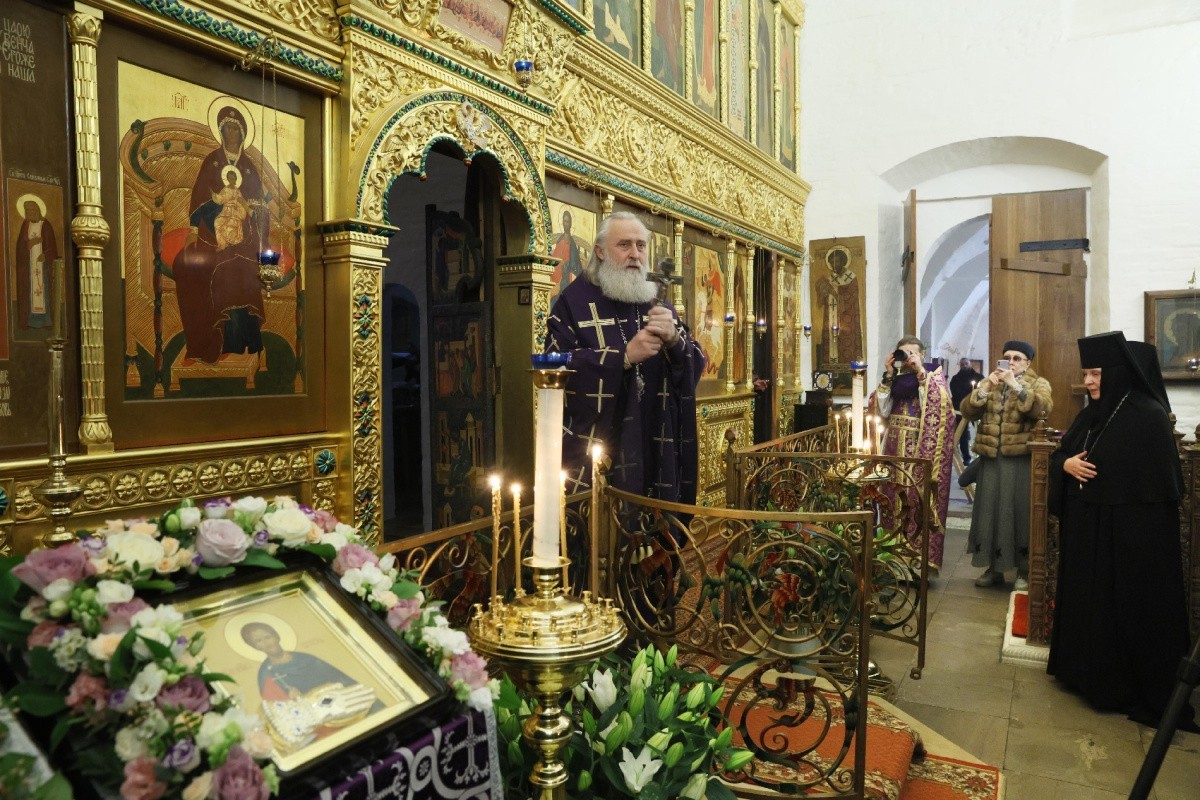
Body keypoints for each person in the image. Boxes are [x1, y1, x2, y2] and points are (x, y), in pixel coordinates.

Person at [1046, 332, 1196, 730]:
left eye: (1095, 374)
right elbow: (1062, 454)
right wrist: (1066, 466)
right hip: (1087, 535)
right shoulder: (1091, 414)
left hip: (1129, 542)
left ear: (1115, 372)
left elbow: (1155, 494)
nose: (1088, 382)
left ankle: (1117, 686)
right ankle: (1082, 675)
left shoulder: (1148, 415)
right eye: (1085, 374)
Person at [545, 211, 705, 502]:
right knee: (602, 524)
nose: (635, 254)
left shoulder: (655, 301)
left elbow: (695, 361)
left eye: (641, 245)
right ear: (600, 252)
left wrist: (674, 340)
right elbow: (553, 366)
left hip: (654, 441)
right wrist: (623, 357)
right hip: (599, 448)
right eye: (624, 245)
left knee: (654, 521)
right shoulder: (573, 302)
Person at [173, 105, 266, 365]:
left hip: (245, 237)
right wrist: (195, 228)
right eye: (227, 128)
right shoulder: (211, 162)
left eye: (236, 128)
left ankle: (238, 341)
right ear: (221, 132)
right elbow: (199, 199)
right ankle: (203, 342)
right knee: (186, 265)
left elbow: (260, 210)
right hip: (210, 233)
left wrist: (249, 213)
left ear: (243, 133)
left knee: (237, 267)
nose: (231, 133)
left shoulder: (249, 168)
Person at [960, 340, 1052, 589]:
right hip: (991, 460)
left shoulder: (1038, 383)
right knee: (990, 513)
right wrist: (983, 389)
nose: (1011, 362)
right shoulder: (991, 383)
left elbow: (1042, 410)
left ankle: (1024, 570)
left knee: (1019, 513)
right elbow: (967, 411)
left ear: (1027, 363)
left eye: (1017, 358)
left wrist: (1016, 387)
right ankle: (994, 568)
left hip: (1020, 460)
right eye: (1007, 357)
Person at [868, 336, 956, 572]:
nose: (906, 358)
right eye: (902, 353)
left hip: (918, 448)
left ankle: (916, 562)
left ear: (922, 354)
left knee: (915, 501)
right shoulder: (895, 378)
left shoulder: (933, 375)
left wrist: (920, 374)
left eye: (911, 353)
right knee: (890, 498)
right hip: (892, 446)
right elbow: (883, 410)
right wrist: (888, 375)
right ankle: (891, 559)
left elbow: (941, 405)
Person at [14, 196, 58, 331]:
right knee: (30, 291)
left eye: (32, 210)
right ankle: (29, 320)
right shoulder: (25, 225)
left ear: (37, 210)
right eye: (27, 211)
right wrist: (30, 243)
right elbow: (20, 247)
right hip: (29, 266)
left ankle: (46, 321)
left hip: (42, 266)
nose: (29, 213)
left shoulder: (46, 225)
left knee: (43, 290)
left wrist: (46, 255)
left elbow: (52, 246)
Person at [949, 357, 985, 465]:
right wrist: (970, 396)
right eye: (962, 364)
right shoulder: (955, 379)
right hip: (960, 408)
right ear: (960, 366)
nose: (964, 365)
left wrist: (973, 398)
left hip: (976, 408)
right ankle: (966, 458)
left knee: (981, 430)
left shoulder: (979, 377)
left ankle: (982, 455)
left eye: (966, 363)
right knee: (962, 434)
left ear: (970, 364)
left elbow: (983, 390)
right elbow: (956, 393)